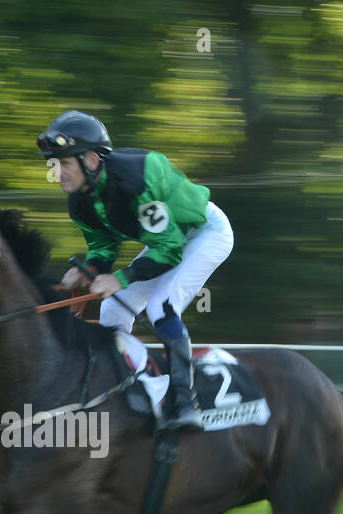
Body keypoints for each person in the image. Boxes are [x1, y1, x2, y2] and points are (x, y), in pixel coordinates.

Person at [38, 110, 234, 432]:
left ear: (90, 159)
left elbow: (169, 250)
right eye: (55, 165)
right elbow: (103, 249)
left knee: (161, 306)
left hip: (205, 232)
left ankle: (187, 404)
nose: (58, 173)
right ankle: (123, 389)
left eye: (64, 164)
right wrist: (87, 271)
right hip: (168, 239)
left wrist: (119, 278)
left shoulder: (134, 178)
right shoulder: (79, 202)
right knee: (114, 306)